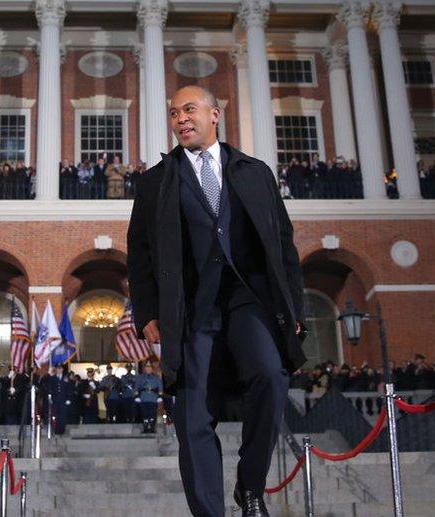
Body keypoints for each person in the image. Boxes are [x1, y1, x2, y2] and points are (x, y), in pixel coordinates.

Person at [127, 85, 307, 516]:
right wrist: (148, 312)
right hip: (191, 307)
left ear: (215, 114)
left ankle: (250, 486)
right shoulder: (155, 182)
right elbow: (140, 253)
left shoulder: (254, 171)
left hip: (249, 298)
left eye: (189, 110)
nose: (181, 119)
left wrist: (294, 308)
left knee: (271, 375)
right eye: (173, 114)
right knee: (193, 417)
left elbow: (283, 244)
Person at [134, 361, 163, 433]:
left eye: (149, 367)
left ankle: (152, 428)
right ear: (144, 368)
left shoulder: (156, 377)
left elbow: (160, 387)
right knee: (144, 414)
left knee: (152, 414)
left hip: (153, 398)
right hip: (143, 398)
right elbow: (136, 387)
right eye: (147, 367)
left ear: (152, 368)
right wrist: (137, 396)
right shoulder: (140, 377)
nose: (148, 368)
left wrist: (160, 396)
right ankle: (146, 428)